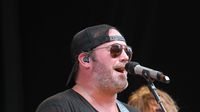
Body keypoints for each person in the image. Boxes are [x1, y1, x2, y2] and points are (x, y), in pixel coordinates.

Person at [36, 24, 139, 112]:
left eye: (127, 51)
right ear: (86, 59)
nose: (125, 57)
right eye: (116, 49)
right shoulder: (58, 107)